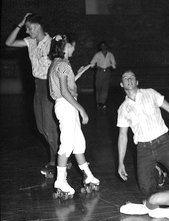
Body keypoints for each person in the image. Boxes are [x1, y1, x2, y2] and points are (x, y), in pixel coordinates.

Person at [116, 70, 169, 197]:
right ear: (121, 84)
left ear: (137, 82)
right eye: (125, 78)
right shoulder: (123, 108)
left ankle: (164, 171)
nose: (129, 79)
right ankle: (158, 173)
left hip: (163, 143)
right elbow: (122, 136)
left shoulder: (150, 93)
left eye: (132, 77)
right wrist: (120, 162)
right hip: (143, 148)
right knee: (146, 190)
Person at [5, 13, 59, 174]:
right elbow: (9, 42)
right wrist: (21, 24)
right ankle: (59, 156)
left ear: (38, 26)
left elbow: (61, 64)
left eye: (30, 27)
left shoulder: (52, 42)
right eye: (27, 28)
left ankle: (56, 162)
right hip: (37, 86)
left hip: (49, 85)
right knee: (42, 128)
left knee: (49, 128)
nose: (28, 31)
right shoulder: (29, 42)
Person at [47, 34, 97, 197]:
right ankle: (60, 181)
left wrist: (78, 74)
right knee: (67, 144)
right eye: (72, 45)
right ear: (65, 47)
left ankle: (88, 176)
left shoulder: (58, 64)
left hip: (66, 105)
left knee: (78, 143)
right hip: (67, 105)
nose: (74, 48)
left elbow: (64, 85)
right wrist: (81, 109)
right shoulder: (62, 64)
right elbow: (63, 91)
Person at [89, 41, 116, 110]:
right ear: (100, 47)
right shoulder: (97, 54)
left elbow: (114, 65)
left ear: (107, 46)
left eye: (105, 45)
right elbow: (92, 64)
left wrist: (111, 67)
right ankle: (98, 102)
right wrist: (96, 67)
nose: (103, 47)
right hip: (99, 72)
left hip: (107, 72)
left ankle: (103, 102)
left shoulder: (110, 54)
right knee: (98, 87)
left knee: (105, 87)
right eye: (102, 46)